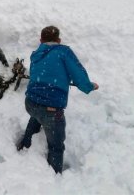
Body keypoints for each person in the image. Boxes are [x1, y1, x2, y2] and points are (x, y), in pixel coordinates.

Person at [17, 26, 99, 173]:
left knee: (36, 117)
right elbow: (78, 74)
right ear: (59, 40)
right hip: (51, 109)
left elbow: (44, 72)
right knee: (56, 145)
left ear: (41, 40)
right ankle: (54, 175)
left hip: (30, 102)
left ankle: (24, 146)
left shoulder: (36, 54)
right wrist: (89, 86)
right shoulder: (63, 52)